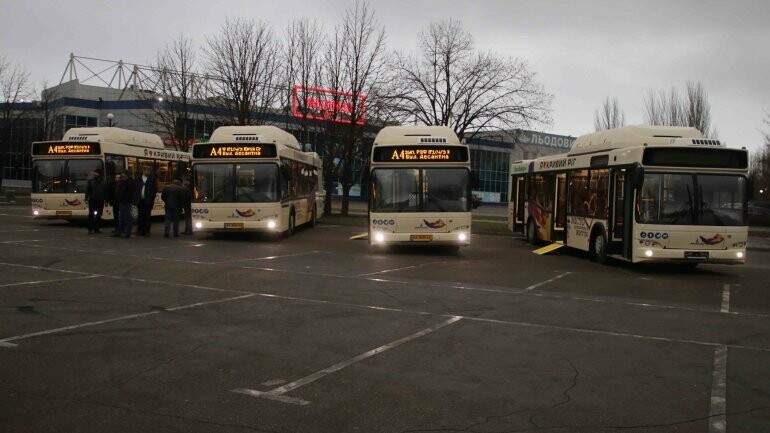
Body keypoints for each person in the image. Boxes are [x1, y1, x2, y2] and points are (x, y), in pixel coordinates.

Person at [134, 165, 157, 236]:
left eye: (149, 170)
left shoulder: (152, 179)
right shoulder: (138, 179)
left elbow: (154, 190)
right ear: (143, 171)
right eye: (146, 170)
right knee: (140, 216)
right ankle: (139, 230)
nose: (147, 172)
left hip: (148, 200)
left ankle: (147, 231)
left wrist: (151, 199)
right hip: (140, 200)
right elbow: (135, 189)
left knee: (147, 216)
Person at [113, 171, 135, 238]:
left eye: (123, 175)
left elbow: (129, 193)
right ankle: (120, 232)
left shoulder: (129, 183)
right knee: (121, 218)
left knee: (127, 218)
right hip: (122, 202)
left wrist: (124, 199)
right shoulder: (122, 182)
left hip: (126, 202)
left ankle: (127, 232)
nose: (122, 176)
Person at [85, 168, 105, 234]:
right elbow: (88, 190)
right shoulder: (91, 181)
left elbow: (105, 191)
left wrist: (106, 199)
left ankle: (97, 228)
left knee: (99, 214)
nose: (95, 174)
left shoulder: (103, 181)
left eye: (97, 173)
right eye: (95, 173)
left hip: (100, 199)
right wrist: (86, 198)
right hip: (93, 199)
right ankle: (90, 229)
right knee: (91, 214)